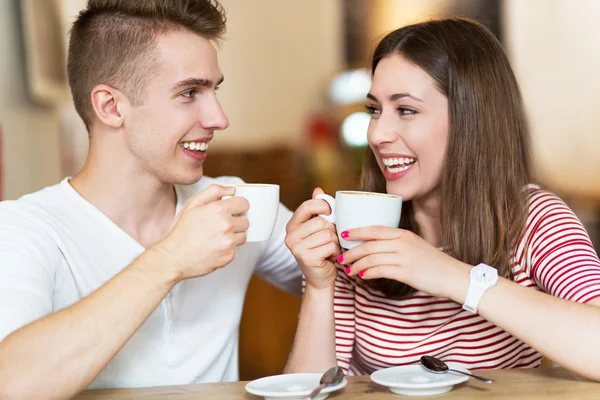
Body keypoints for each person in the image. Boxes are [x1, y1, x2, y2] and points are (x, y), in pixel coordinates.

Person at [0, 1, 302, 398]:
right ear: (110, 107)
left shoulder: (233, 201)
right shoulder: (26, 229)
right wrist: (170, 259)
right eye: (190, 92)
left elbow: (358, 284)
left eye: (214, 90)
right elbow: (10, 383)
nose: (218, 119)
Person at [284, 18, 600, 381]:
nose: (378, 133)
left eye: (405, 110)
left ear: (472, 119)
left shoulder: (533, 220)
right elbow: (309, 390)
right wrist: (321, 287)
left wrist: (454, 277)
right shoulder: (354, 226)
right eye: (374, 110)